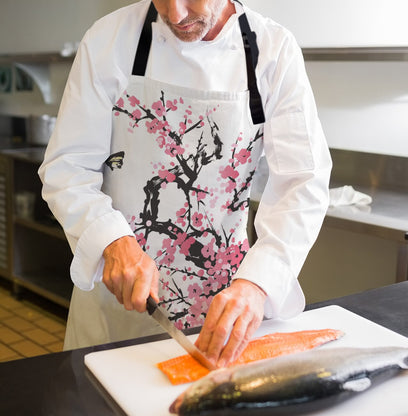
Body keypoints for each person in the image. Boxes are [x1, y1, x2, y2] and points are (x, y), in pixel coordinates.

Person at [39, 0, 332, 368]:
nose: (176, 15)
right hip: (118, 311)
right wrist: (111, 240)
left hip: (226, 312)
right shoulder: (108, 40)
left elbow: (302, 183)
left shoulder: (273, 50)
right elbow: (67, 168)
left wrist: (257, 284)